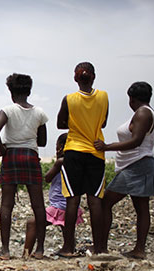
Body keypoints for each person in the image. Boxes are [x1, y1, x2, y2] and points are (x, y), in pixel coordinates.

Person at [93, 82, 154, 259]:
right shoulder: (152, 114)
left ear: (132, 99)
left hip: (137, 165)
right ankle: (139, 249)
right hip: (140, 164)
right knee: (141, 207)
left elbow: (136, 141)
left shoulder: (142, 113)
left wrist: (106, 147)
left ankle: (102, 245)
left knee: (106, 202)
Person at [0, 73, 48, 259]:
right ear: (29, 91)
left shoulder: (7, 110)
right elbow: (43, 141)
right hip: (30, 156)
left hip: (12, 156)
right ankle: (39, 250)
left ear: (11, 92)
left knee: (7, 205)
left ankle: (6, 250)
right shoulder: (39, 112)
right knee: (38, 206)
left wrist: (2, 149)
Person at [56, 62, 108, 257]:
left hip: (74, 150)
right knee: (95, 201)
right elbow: (103, 121)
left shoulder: (69, 99)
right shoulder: (103, 97)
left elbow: (61, 123)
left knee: (72, 200)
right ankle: (100, 247)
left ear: (75, 78)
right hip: (95, 151)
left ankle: (68, 247)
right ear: (93, 77)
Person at [24, 134, 84, 255]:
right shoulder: (79, 161)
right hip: (71, 205)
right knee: (67, 228)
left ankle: (26, 253)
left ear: (61, 147)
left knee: (32, 223)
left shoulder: (61, 162)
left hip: (58, 206)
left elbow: (47, 178)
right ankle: (69, 249)